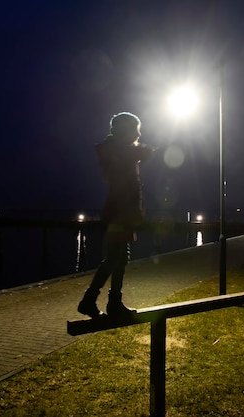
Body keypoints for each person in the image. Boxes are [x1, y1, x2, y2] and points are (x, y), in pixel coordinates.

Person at [78, 112, 155, 319]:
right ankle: (91, 300)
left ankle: (111, 302)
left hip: (122, 212)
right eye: (136, 129)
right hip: (121, 212)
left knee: (119, 259)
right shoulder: (120, 152)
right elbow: (145, 153)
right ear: (126, 130)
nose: (139, 133)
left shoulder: (119, 151)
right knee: (115, 258)